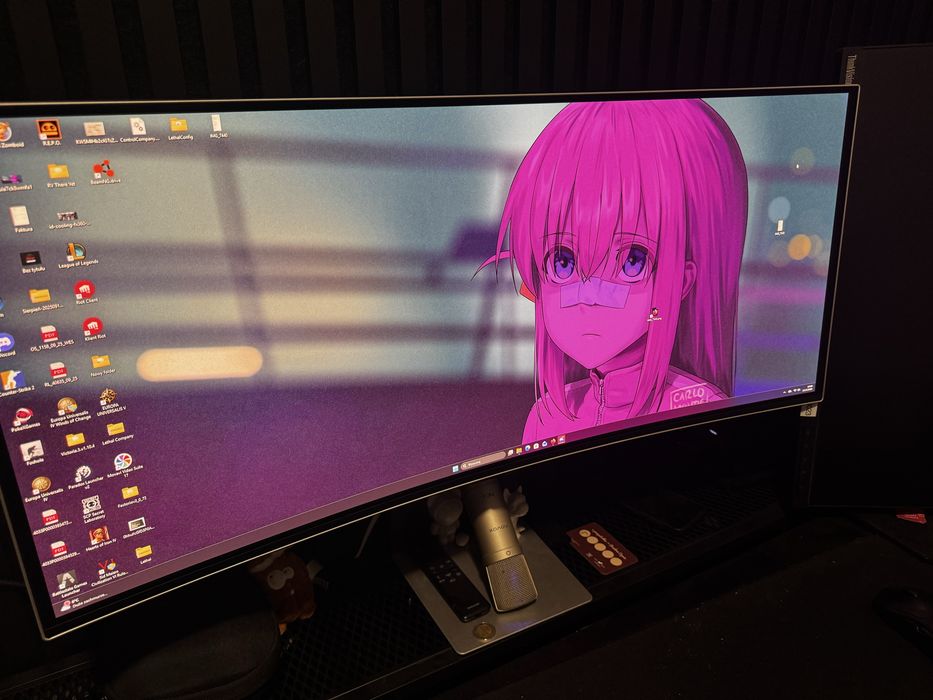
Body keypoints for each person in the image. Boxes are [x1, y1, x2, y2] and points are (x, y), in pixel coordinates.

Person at [485, 100, 748, 443]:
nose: (590, 295)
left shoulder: (699, 409)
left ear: (681, 281)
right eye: (562, 261)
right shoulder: (546, 418)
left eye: (632, 261)